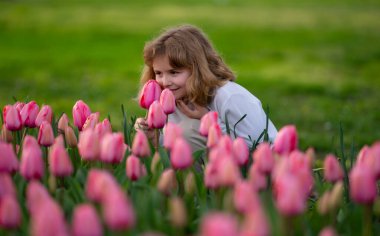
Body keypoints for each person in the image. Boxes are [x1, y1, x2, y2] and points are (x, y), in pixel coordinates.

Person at [134, 24, 277, 152]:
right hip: (208, 168)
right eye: (159, 73)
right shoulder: (171, 98)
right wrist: (154, 138)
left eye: (174, 72)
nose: (165, 82)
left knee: (188, 133)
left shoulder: (229, 96)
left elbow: (258, 145)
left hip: (257, 170)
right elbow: (174, 149)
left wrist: (207, 120)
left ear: (197, 69)